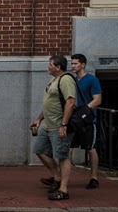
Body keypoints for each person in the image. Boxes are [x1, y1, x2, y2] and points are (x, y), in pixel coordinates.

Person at [30, 54, 77, 200]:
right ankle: (56, 176)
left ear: (58, 67)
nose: (48, 66)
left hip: (59, 125)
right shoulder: (53, 80)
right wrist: (39, 119)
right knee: (39, 150)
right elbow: (50, 103)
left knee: (62, 156)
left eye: (50, 64)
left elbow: (70, 102)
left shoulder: (66, 79)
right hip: (47, 124)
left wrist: (63, 125)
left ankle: (63, 190)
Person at [69, 53, 103, 189]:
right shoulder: (72, 80)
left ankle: (94, 177)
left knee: (90, 148)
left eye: (75, 63)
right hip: (74, 119)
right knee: (68, 147)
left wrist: (84, 110)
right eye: (72, 63)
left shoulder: (92, 80)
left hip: (88, 120)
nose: (73, 66)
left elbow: (98, 99)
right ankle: (62, 176)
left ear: (83, 65)